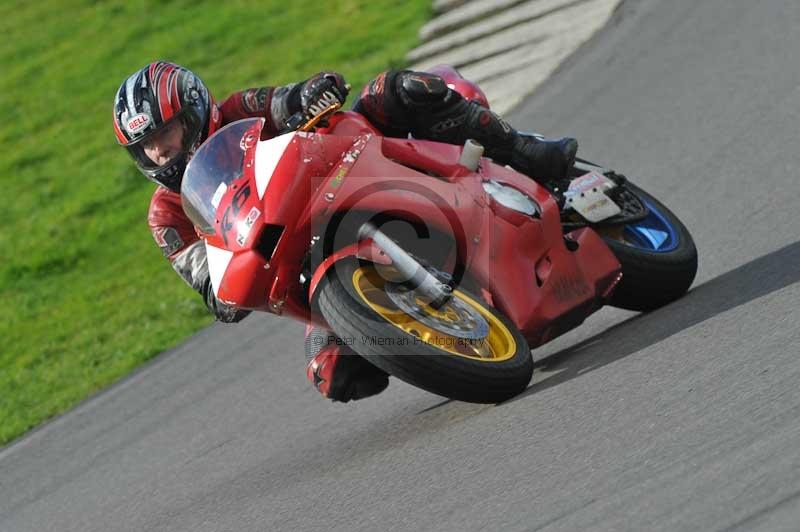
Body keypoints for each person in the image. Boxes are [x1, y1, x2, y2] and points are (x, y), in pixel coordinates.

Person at [113, 61, 577, 404]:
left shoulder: (238, 111)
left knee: (399, 89)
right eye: (145, 146)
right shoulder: (167, 217)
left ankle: (525, 151)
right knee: (337, 375)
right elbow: (214, 293)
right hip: (302, 262)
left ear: (194, 112)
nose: (159, 152)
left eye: (165, 133)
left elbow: (291, 98)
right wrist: (232, 282)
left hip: (344, 176)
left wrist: (314, 94)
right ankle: (435, 328)